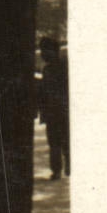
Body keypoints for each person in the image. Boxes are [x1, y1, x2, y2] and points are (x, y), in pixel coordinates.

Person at [37, 38, 69, 179]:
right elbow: (44, 92)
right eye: (42, 50)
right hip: (53, 111)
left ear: (54, 51)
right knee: (54, 142)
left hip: (63, 110)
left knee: (65, 140)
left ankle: (68, 167)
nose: (43, 54)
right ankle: (57, 169)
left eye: (46, 50)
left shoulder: (64, 67)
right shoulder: (47, 69)